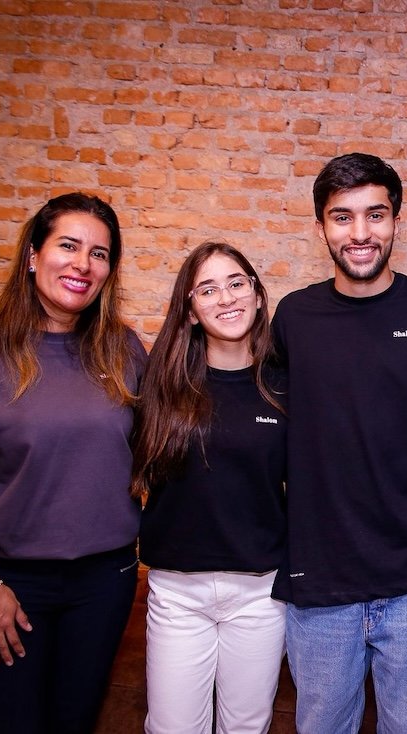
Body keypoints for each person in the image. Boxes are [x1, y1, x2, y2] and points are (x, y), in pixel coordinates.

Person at [0, 193, 147, 733]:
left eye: (99, 253)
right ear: (32, 255)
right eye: (68, 246)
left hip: (105, 581)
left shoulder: (123, 350)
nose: (82, 264)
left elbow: (161, 450)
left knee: (75, 723)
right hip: (6, 578)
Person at [270, 152, 407, 733]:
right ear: (321, 226)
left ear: (396, 221)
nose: (360, 233)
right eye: (343, 217)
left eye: (375, 215)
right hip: (321, 581)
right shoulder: (294, 316)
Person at [133, 241, 288, 733]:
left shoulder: (285, 386)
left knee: (247, 727)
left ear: (258, 296)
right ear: (191, 310)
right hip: (178, 592)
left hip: (259, 592)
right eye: (207, 289)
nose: (226, 298)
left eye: (236, 283)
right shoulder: (160, 382)